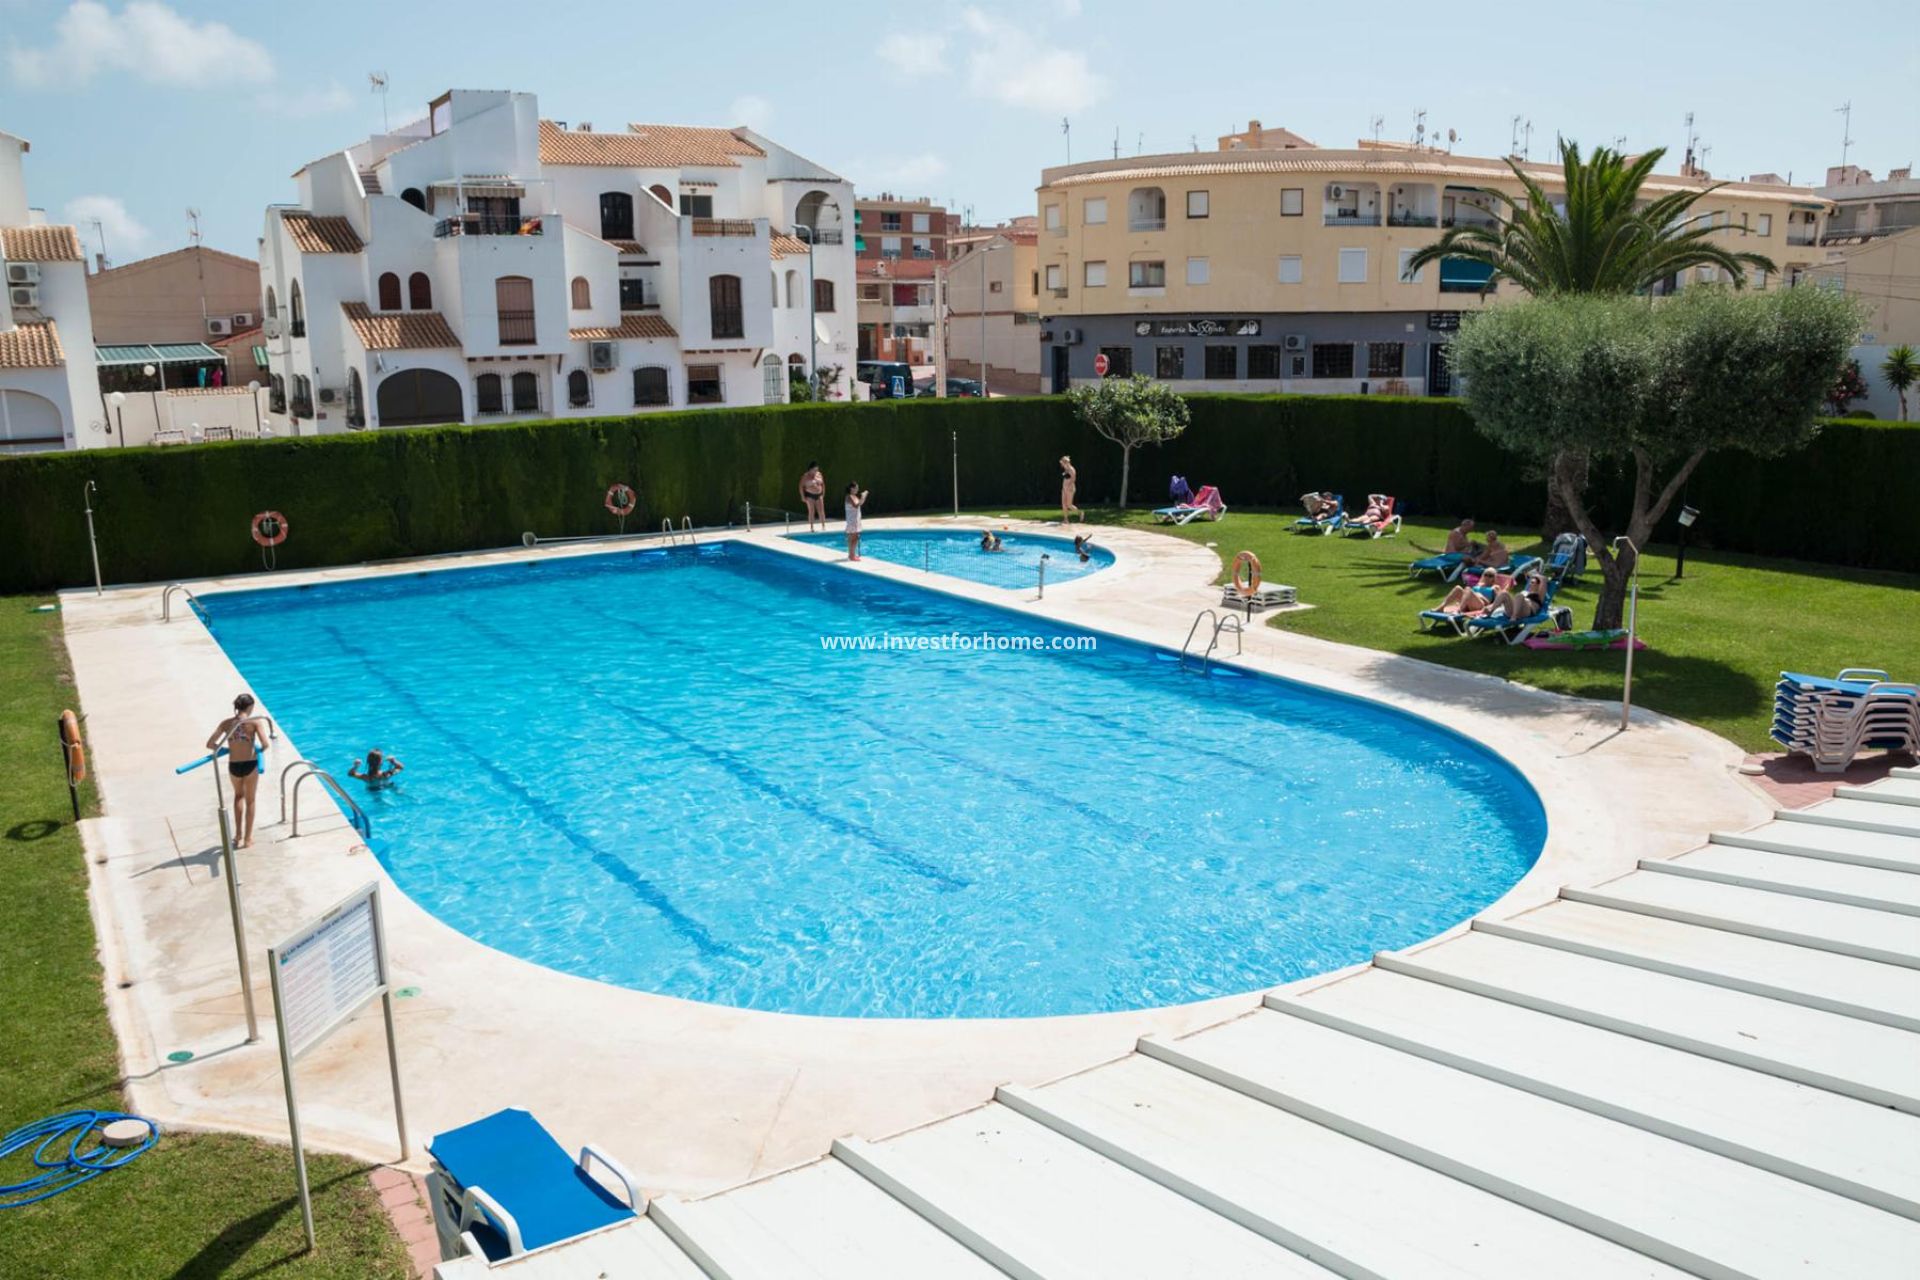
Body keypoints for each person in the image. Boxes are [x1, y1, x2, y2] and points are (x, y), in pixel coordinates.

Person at [206, 693, 272, 848]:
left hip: (234, 764)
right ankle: (248, 839)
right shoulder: (254, 722)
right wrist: (258, 751)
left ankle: (237, 835)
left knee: (238, 796)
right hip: (250, 763)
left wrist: (225, 749)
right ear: (250, 707)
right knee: (251, 800)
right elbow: (265, 744)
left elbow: (210, 744)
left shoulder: (226, 723)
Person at [798, 461, 826, 531]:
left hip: (819, 494)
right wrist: (802, 496)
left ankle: (823, 526)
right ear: (810, 469)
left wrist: (823, 493)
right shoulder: (805, 476)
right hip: (810, 495)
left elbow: (823, 484)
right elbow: (801, 486)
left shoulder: (819, 474)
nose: (816, 471)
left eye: (817, 470)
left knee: (821, 511)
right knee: (811, 511)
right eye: (814, 470)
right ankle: (812, 527)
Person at [844, 482, 868, 560]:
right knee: (854, 538)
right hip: (852, 520)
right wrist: (863, 496)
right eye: (856, 488)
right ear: (852, 488)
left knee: (852, 538)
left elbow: (860, 503)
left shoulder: (854, 496)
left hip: (855, 519)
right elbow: (856, 505)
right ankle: (852, 555)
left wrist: (864, 497)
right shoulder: (849, 497)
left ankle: (851, 554)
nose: (857, 489)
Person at [1059, 456, 1082, 524]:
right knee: (1064, 504)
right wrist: (1064, 487)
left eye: (1063, 463)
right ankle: (1066, 519)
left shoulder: (1071, 469)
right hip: (1064, 488)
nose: (1062, 465)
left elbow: (1073, 479)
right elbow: (1065, 478)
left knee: (1069, 505)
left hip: (1070, 489)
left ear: (1066, 462)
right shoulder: (1066, 469)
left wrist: (1068, 487)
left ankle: (1080, 513)